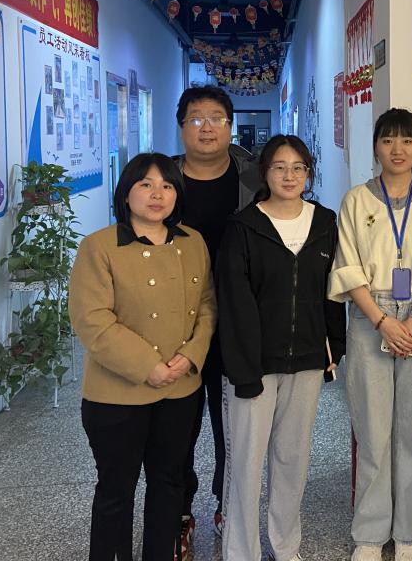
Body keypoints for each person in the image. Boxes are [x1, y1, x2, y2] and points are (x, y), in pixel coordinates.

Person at [69, 153, 215, 561]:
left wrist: (190, 355)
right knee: (116, 490)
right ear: (126, 193)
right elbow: (92, 319)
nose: (157, 194)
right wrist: (147, 366)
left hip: (179, 389)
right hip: (117, 394)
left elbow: (207, 306)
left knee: (169, 483)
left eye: (167, 186)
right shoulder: (100, 247)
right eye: (146, 185)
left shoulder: (192, 242)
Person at [328, 108, 412, 561]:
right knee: (372, 432)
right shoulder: (356, 200)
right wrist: (383, 321)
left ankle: (408, 536)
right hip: (371, 318)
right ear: (376, 147)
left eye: (406, 140)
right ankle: (369, 535)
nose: (397, 149)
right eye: (388, 140)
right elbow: (347, 266)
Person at [216, 135, 346, 561]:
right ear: (264, 172)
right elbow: (233, 303)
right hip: (253, 364)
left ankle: (286, 546)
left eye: (298, 168)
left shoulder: (324, 222)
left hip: (306, 360)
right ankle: (242, 551)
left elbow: (332, 292)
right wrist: (242, 369)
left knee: (292, 459)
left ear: (308, 173)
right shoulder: (243, 227)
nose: (289, 176)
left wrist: (334, 348)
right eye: (279, 167)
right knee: (246, 463)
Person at [173, 85, 261, 558]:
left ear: (230, 125)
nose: (206, 127)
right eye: (195, 118)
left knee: (234, 426)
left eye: (216, 118)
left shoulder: (255, 177)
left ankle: (228, 507)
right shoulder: (161, 179)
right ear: (181, 127)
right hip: (176, 326)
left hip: (235, 322)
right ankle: (179, 512)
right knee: (177, 427)